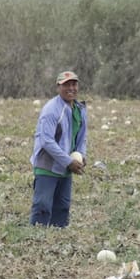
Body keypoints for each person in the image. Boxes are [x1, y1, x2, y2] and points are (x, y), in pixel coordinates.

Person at [29, 70, 87, 227]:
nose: (71, 88)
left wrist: (81, 155)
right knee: (42, 206)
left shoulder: (80, 110)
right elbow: (46, 141)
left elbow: (81, 137)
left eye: (73, 84)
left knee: (62, 208)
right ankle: (35, 239)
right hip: (47, 165)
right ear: (58, 87)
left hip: (66, 168)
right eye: (66, 85)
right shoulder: (51, 110)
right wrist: (68, 161)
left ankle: (57, 240)